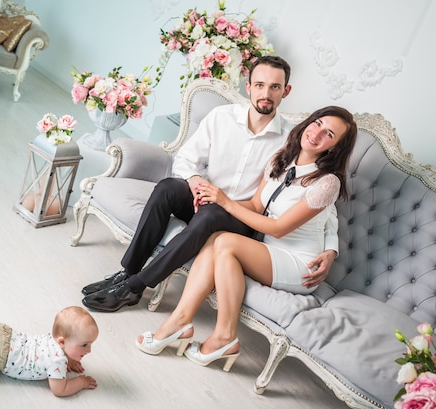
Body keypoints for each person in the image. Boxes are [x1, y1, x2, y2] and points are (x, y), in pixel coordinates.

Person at [81, 56, 338, 313]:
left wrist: (331, 249)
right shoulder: (221, 117)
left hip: (243, 219)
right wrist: (195, 182)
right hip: (204, 200)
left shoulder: (292, 139)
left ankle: (134, 288)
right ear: (248, 87)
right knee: (168, 188)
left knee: (212, 213)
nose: (266, 93)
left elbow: (321, 197)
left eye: (274, 87)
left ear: (286, 91)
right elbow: (185, 158)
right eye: (259, 85)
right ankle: (128, 272)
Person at [135, 106, 358, 371]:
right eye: (317, 123)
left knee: (225, 242)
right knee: (217, 236)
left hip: (300, 264)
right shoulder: (282, 159)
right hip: (270, 252)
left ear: (335, 148)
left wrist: (225, 202)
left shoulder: (327, 182)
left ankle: (222, 336)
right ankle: (181, 323)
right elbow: (254, 204)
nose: (317, 133)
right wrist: (212, 203)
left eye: (329, 133)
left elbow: (278, 229)